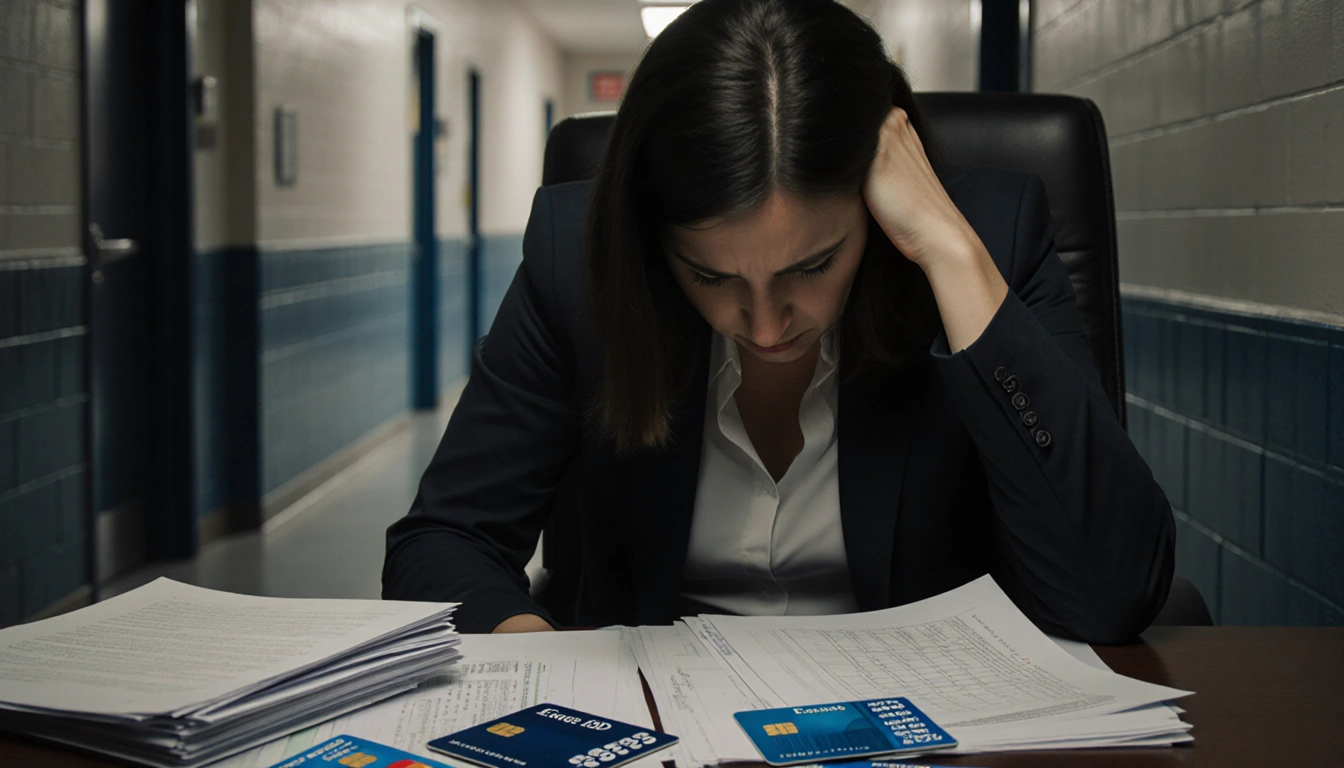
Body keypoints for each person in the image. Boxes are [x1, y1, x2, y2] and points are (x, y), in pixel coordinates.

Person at [383, 0, 1174, 642]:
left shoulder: (985, 244)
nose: (763, 326)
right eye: (710, 275)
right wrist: (545, 665)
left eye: (812, 265)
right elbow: (441, 543)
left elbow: (1108, 593)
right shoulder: (581, 263)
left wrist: (948, 253)